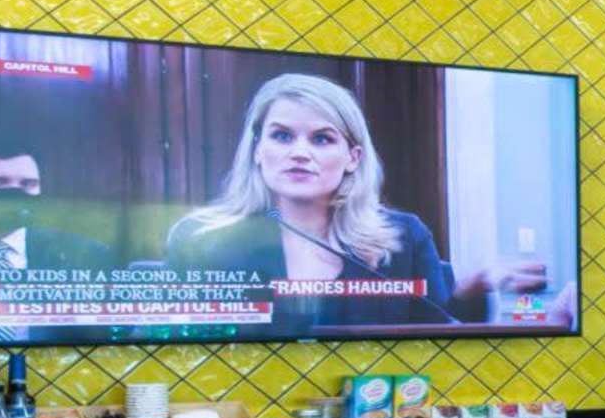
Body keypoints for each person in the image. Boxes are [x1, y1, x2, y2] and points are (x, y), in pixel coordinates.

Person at [160, 73, 552, 333]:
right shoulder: (201, 240)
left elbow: (439, 330)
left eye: (321, 139)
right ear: (257, 150)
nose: (299, 152)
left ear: (353, 158)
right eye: (281, 136)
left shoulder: (402, 237)